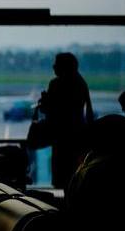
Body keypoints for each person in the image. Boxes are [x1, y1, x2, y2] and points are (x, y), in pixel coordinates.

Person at [39, 52, 94, 189]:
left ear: (63, 67)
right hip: (77, 136)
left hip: (61, 137)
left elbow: (51, 111)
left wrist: (45, 102)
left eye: (56, 64)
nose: (53, 67)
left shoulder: (56, 84)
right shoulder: (81, 83)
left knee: (61, 179)